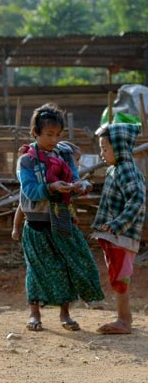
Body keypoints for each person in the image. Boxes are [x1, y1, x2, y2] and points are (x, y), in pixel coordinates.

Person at [16, 103, 104, 332]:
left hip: (61, 218)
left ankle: (66, 313)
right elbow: (30, 191)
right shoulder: (27, 160)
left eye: (57, 134)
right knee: (36, 269)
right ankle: (34, 314)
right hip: (36, 223)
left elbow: (75, 177)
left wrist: (80, 186)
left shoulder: (64, 154)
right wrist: (52, 187)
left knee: (68, 265)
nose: (53, 139)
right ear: (35, 133)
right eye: (48, 134)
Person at [91, 123, 146, 334]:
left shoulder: (128, 171)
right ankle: (124, 317)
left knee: (120, 276)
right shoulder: (114, 170)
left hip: (121, 235)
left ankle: (124, 320)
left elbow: (136, 201)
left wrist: (116, 225)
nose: (102, 153)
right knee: (117, 274)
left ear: (121, 147)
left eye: (105, 148)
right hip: (114, 235)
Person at [12, 141, 83, 241]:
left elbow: (66, 203)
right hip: (39, 225)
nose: (76, 164)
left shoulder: (63, 176)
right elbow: (22, 207)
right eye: (76, 159)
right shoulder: (38, 176)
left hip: (56, 223)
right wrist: (16, 228)